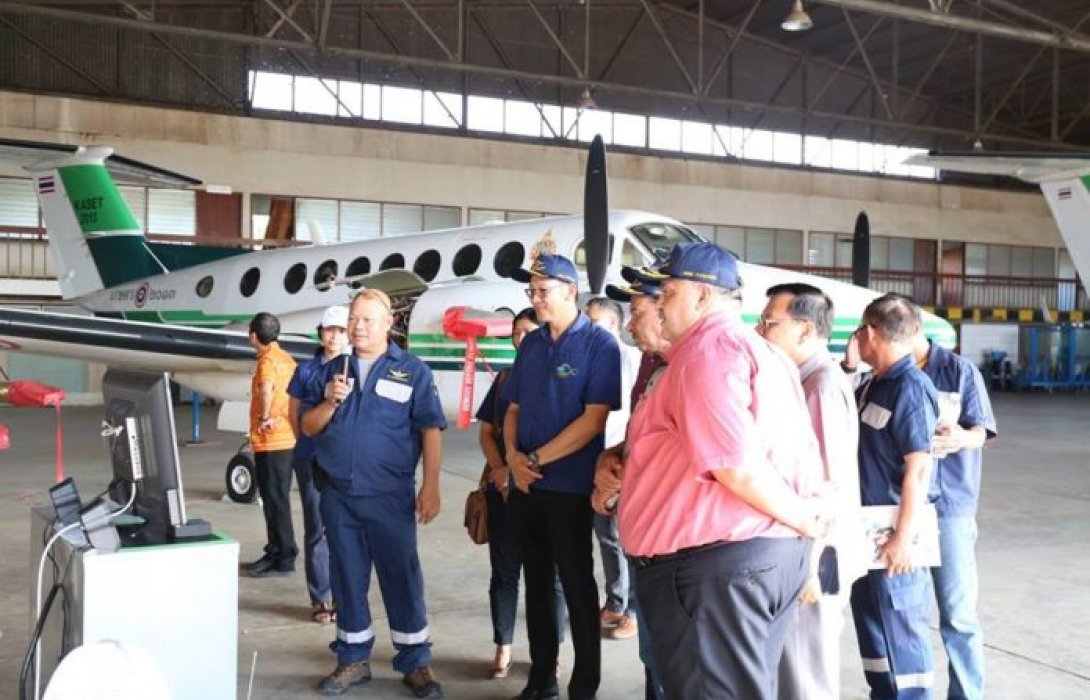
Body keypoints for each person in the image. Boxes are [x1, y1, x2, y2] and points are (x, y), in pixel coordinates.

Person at [618, 242, 828, 699]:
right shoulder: (762, 352)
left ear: (701, 297)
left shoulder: (706, 353)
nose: (660, 303)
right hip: (753, 560)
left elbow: (736, 465)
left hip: (716, 569)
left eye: (668, 292)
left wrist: (803, 518)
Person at [300, 289, 445, 699]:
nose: (358, 327)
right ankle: (352, 659)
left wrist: (431, 485)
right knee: (347, 577)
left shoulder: (412, 371)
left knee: (401, 576)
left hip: (389, 496)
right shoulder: (329, 371)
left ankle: (415, 662)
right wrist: (329, 402)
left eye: (367, 319)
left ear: (388, 324)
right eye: (353, 319)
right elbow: (308, 427)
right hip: (339, 496)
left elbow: (430, 430)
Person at [502, 253, 621, 700]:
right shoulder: (532, 344)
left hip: (568, 487)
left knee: (575, 583)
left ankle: (584, 684)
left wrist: (532, 458)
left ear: (571, 290)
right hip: (527, 485)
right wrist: (513, 456)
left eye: (543, 291)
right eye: (530, 291)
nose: (534, 299)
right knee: (536, 584)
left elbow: (592, 422)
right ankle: (541, 677)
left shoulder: (598, 345)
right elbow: (512, 409)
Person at [756, 283, 864, 700]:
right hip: (802, 548)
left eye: (771, 322)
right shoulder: (798, 381)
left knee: (806, 677)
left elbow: (827, 483)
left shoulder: (819, 386)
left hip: (817, 553)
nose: (762, 331)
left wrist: (812, 565)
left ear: (804, 330)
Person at [850, 293, 940, 700]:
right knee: (875, 634)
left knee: (902, 631)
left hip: (894, 536)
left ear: (869, 331)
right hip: (868, 534)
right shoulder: (874, 385)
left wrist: (903, 538)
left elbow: (919, 467)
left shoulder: (910, 388)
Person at [476, 308, 567, 680]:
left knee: (552, 577)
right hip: (505, 492)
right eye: (517, 333)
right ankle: (503, 645)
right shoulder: (505, 379)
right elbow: (487, 431)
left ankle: (552, 651)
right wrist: (500, 468)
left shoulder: (559, 379)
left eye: (528, 332)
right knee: (505, 572)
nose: (521, 339)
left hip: (549, 492)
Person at [910, 310, 997, 700]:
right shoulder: (884, 372)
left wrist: (961, 437)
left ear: (909, 330)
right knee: (905, 612)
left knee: (958, 616)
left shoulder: (960, 371)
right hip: (897, 507)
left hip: (949, 510)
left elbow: (982, 431)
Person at [593, 274, 669, 700]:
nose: (628, 324)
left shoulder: (694, 367)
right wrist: (614, 457)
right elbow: (641, 433)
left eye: (637, 313)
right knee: (652, 657)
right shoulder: (649, 361)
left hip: (673, 539)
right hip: (644, 526)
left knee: (670, 658)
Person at [583, 296, 641, 641]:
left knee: (628, 538)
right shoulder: (589, 362)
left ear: (615, 326)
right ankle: (616, 601)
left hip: (623, 463)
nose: (588, 331)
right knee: (606, 537)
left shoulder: (632, 360)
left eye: (596, 324)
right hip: (594, 463)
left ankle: (634, 611)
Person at [286, 305, 348, 623]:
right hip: (310, 459)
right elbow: (292, 411)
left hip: (342, 462)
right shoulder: (305, 370)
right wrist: (304, 445)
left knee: (342, 529)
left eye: (340, 331)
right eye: (329, 330)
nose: (334, 336)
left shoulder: (354, 369)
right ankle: (320, 597)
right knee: (316, 528)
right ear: (320, 333)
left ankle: (342, 597)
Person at [244, 312, 298, 578]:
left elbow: (265, 389)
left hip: (272, 440)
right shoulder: (287, 359)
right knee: (278, 498)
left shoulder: (266, 361)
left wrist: (265, 416)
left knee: (274, 499)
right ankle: (278, 551)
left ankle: (283, 555)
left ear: (254, 336)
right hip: (287, 437)